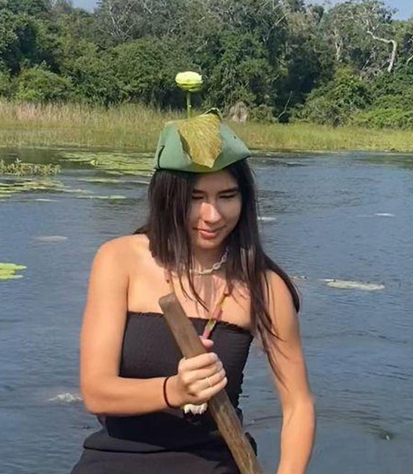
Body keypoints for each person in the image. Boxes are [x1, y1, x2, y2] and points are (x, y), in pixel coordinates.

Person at [71, 111, 316, 474]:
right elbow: (97, 391)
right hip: (116, 459)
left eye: (227, 196)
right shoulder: (120, 260)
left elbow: (298, 406)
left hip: (215, 462)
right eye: (196, 197)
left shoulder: (264, 287)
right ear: (168, 197)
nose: (212, 215)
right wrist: (174, 390)